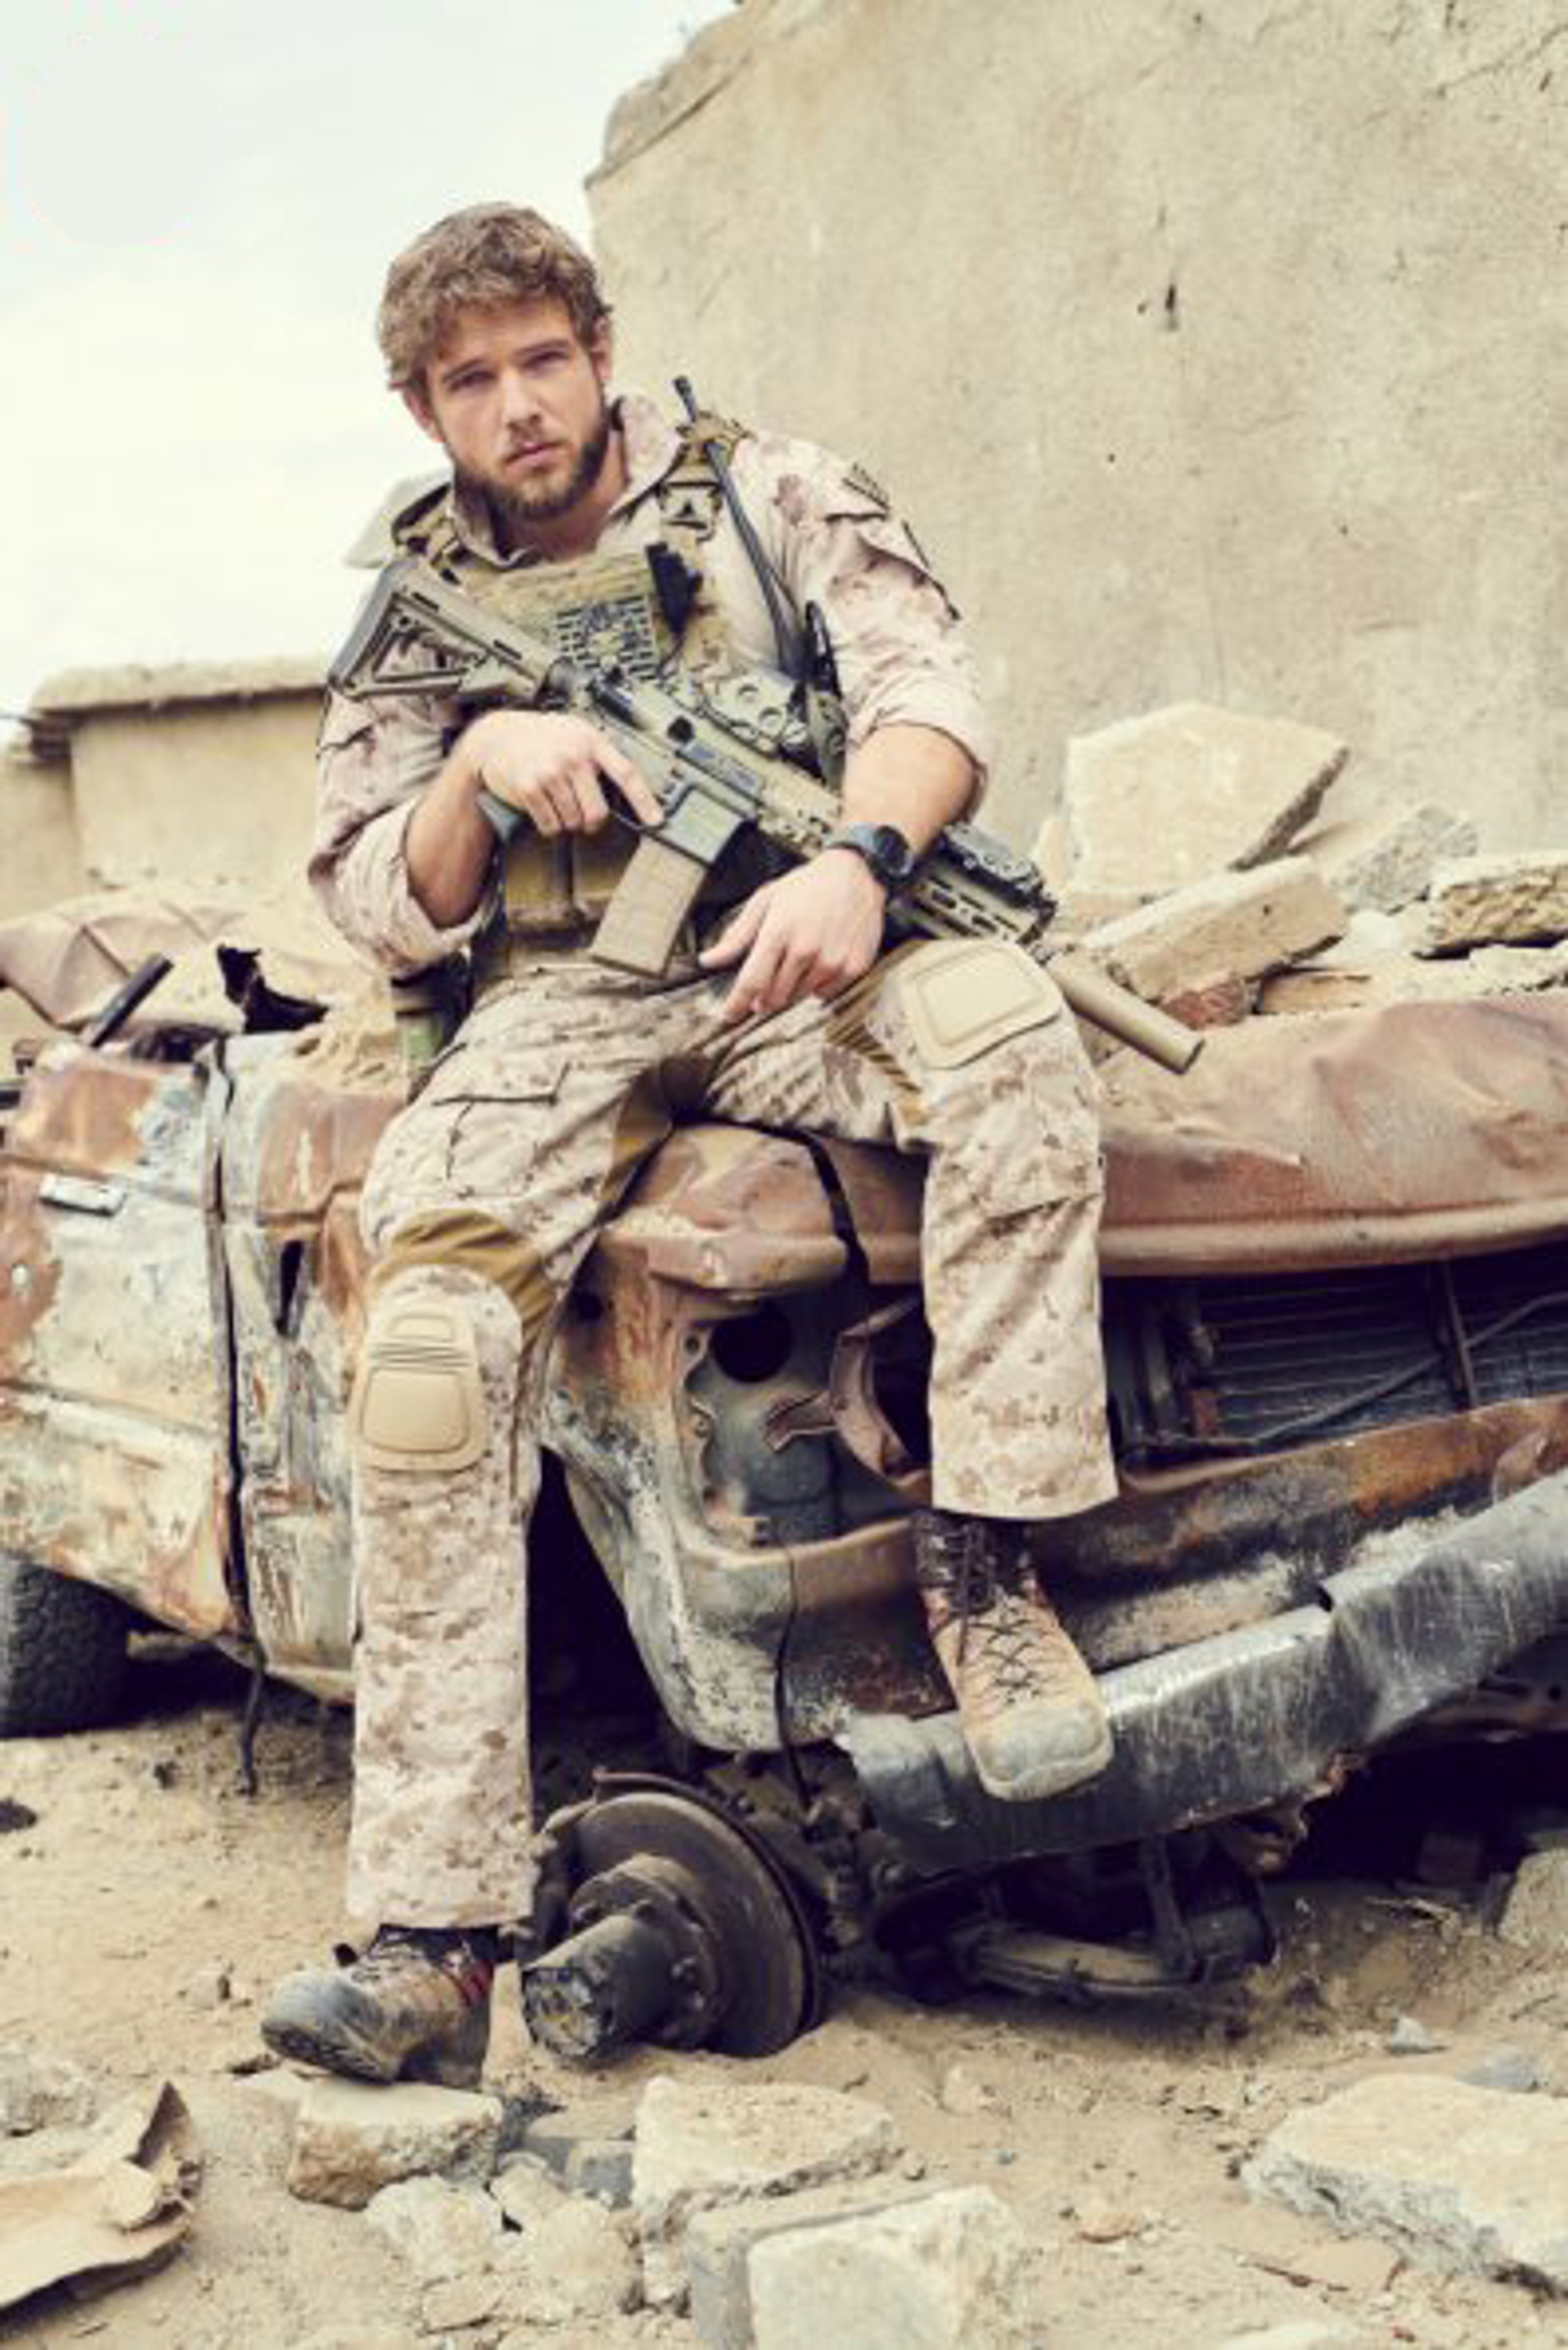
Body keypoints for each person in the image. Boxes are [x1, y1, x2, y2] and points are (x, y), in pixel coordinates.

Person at [261, 203, 1117, 2089]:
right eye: (471, 380)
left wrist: (854, 861)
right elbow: (371, 901)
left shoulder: (769, 494)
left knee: (1014, 1044)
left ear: (597, 345)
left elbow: (926, 701)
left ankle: (991, 1574)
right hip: (563, 1002)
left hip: (807, 949)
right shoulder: (412, 615)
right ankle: (436, 1933)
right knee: (424, 1349)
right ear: (425, 408)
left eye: (542, 357)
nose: (518, 403)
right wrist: (481, 773)